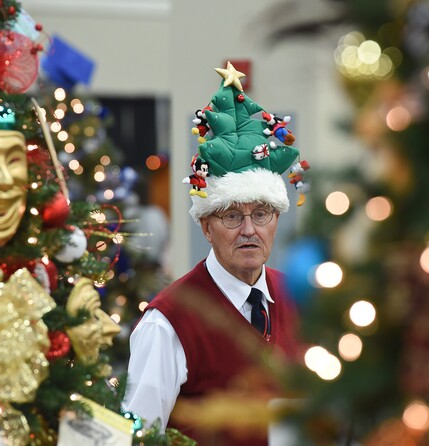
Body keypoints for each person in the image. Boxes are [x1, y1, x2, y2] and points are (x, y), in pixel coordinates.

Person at [122, 63, 305, 445]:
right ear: (206, 226)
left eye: (261, 214)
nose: (249, 229)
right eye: (232, 216)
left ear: (276, 220)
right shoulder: (168, 322)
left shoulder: (298, 299)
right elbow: (139, 436)